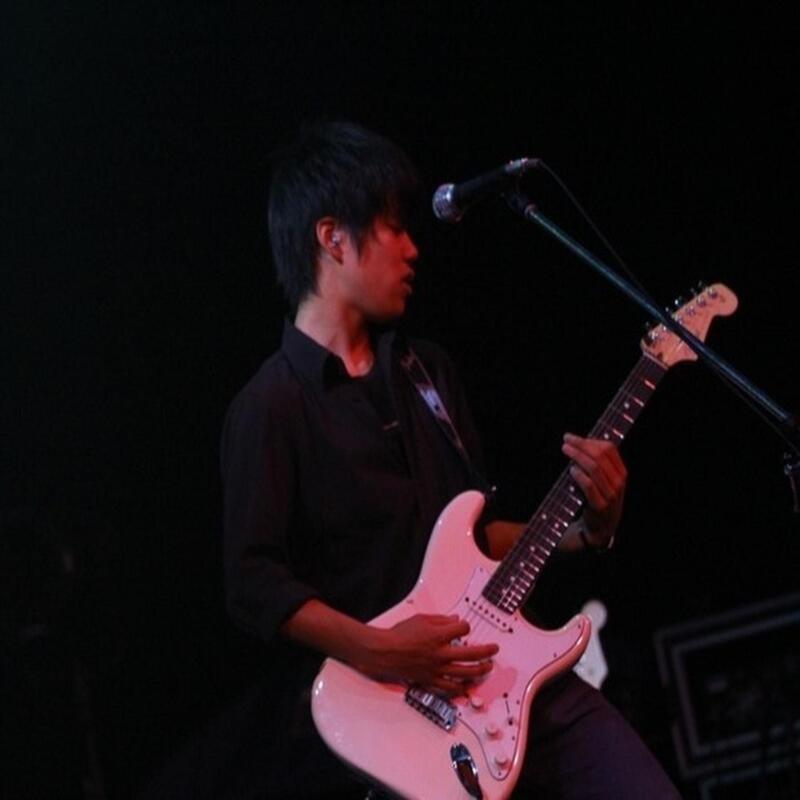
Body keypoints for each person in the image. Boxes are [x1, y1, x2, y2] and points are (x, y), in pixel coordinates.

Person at [221, 121, 680, 799]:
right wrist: (379, 649)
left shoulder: (427, 373)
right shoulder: (271, 406)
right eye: (391, 228)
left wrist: (587, 530)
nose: (413, 249)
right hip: (402, 722)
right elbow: (252, 583)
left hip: (513, 681)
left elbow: (477, 535)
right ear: (333, 238)